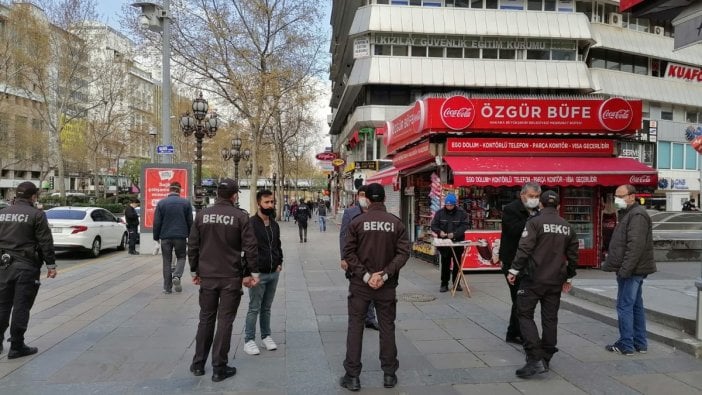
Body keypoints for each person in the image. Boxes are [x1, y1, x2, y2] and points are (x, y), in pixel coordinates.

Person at [188, 178, 260, 382]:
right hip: (230, 276)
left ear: (218, 194)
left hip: (208, 276)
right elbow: (250, 247)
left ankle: (198, 364)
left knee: (205, 319)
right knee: (225, 321)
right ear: (234, 195)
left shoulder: (202, 215)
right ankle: (219, 367)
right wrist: (252, 273)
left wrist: (194, 270)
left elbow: (193, 245)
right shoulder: (240, 217)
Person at [340, 183, 410, 391]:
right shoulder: (396, 223)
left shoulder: (357, 222)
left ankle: (352, 376)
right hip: (387, 285)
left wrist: (366, 275)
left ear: (367, 200)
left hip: (361, 284)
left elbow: (348, 252)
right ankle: (389, 374)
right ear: (384, 200)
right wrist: (386, 273)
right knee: (387, 327)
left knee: (355, 326)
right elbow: (404, 252)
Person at [507, 191, 578, 378]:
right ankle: (546, 355)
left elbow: (525, 248)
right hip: (555, 279)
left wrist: (514, 270)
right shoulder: (567, 226)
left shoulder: (534, 222)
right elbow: (573, 255)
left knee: (524, 313)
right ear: (559, 206)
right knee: (550, 318)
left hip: (533, 278)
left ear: (540, 204)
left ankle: (535, 358)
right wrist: (569, 277)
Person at [0, 181, 57, 359]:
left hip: (3, 265)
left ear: (16, 196)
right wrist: (51, 265)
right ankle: (17, 345)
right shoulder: (37, 214)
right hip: (26, 266)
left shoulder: (2, 213)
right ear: (33, 196)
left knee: (2, 305)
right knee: (21, 305)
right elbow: (45, 241)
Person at [602, 184, 657, 355]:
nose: (617, 200)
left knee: (624, 306)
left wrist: (625, 269)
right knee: (635, 306)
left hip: (632, 270)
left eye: (620, 196)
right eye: (615, 196)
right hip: (632, 268)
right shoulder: (629, 214)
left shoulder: (637, 214)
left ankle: (626, 344)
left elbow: (635, 246)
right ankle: (640, 343)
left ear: (632, 196)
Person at [499, 182, 541, 344]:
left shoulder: (537, 211)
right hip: (512, 260)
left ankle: (513, 332)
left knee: (520, 298)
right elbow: (514, 230)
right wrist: (532, 220)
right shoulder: (511, 209)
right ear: (522, 195)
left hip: (529, 261)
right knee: (519, 298)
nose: (534, 200)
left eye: (536, 197)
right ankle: (520, 333)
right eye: (531, 196)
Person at [243, 190, 283, 356]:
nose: (270, 205)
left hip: (274, 272)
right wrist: (249, 272)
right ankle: (249, 340)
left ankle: (266, 336)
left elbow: (277, 245)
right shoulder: (251, 224)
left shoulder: (274, 224)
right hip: (258, 274)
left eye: (272, 202)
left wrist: (280, 261)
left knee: (266, 308)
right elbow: (247, 250)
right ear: (259, 203)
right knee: (254, 307)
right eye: (267, 202)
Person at [340, 185, 379, 331]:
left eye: (365, 195)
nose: (363, 198)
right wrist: (343, 257)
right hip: (355, 257)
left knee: (373, 287)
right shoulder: (350, 212)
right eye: (361, 194)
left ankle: (370, 318)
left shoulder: (376, 211)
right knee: (357, 289)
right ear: (357, 196)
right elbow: (343, 235)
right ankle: (358, 317)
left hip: (373, 257)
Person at [153, 182, 193, 294]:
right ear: (179, 190)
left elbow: (157, 222)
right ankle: (177, 275)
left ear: (169, 190)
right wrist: (191, 237)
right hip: (180, 236)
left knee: (166, 261)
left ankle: (167, 288)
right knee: (181, 257)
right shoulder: (185, 203)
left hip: (165, 237)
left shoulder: (161, 203)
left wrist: (156, 238)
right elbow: (190, 222)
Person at [430, 193, 469, 292]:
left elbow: (464, 226)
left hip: (457, 242)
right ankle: (444, 284)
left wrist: (455, 234)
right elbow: (434, 225)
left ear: (455, 204)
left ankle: (457, 283)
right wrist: (440, 232)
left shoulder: (462, 213)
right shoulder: (440, 213)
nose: (449, 207)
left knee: (457, 263)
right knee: (445, 263)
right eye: (447, 205)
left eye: (451, 205)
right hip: (444, 243)